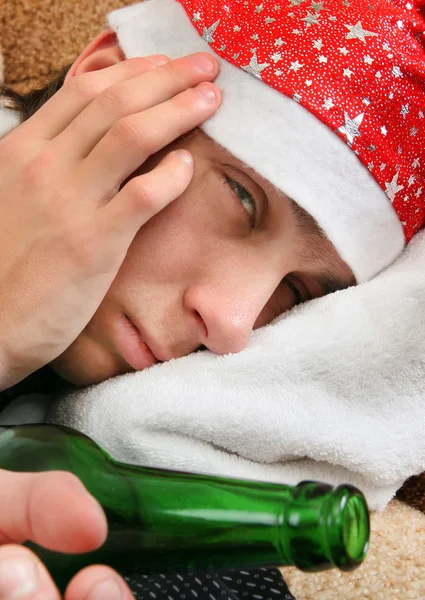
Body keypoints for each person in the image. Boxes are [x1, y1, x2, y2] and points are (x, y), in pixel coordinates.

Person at [0, 0, 424, 597]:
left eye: (295, 291)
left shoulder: (186, 516)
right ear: (108, 81)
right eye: (243, 199)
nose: (232, 324)